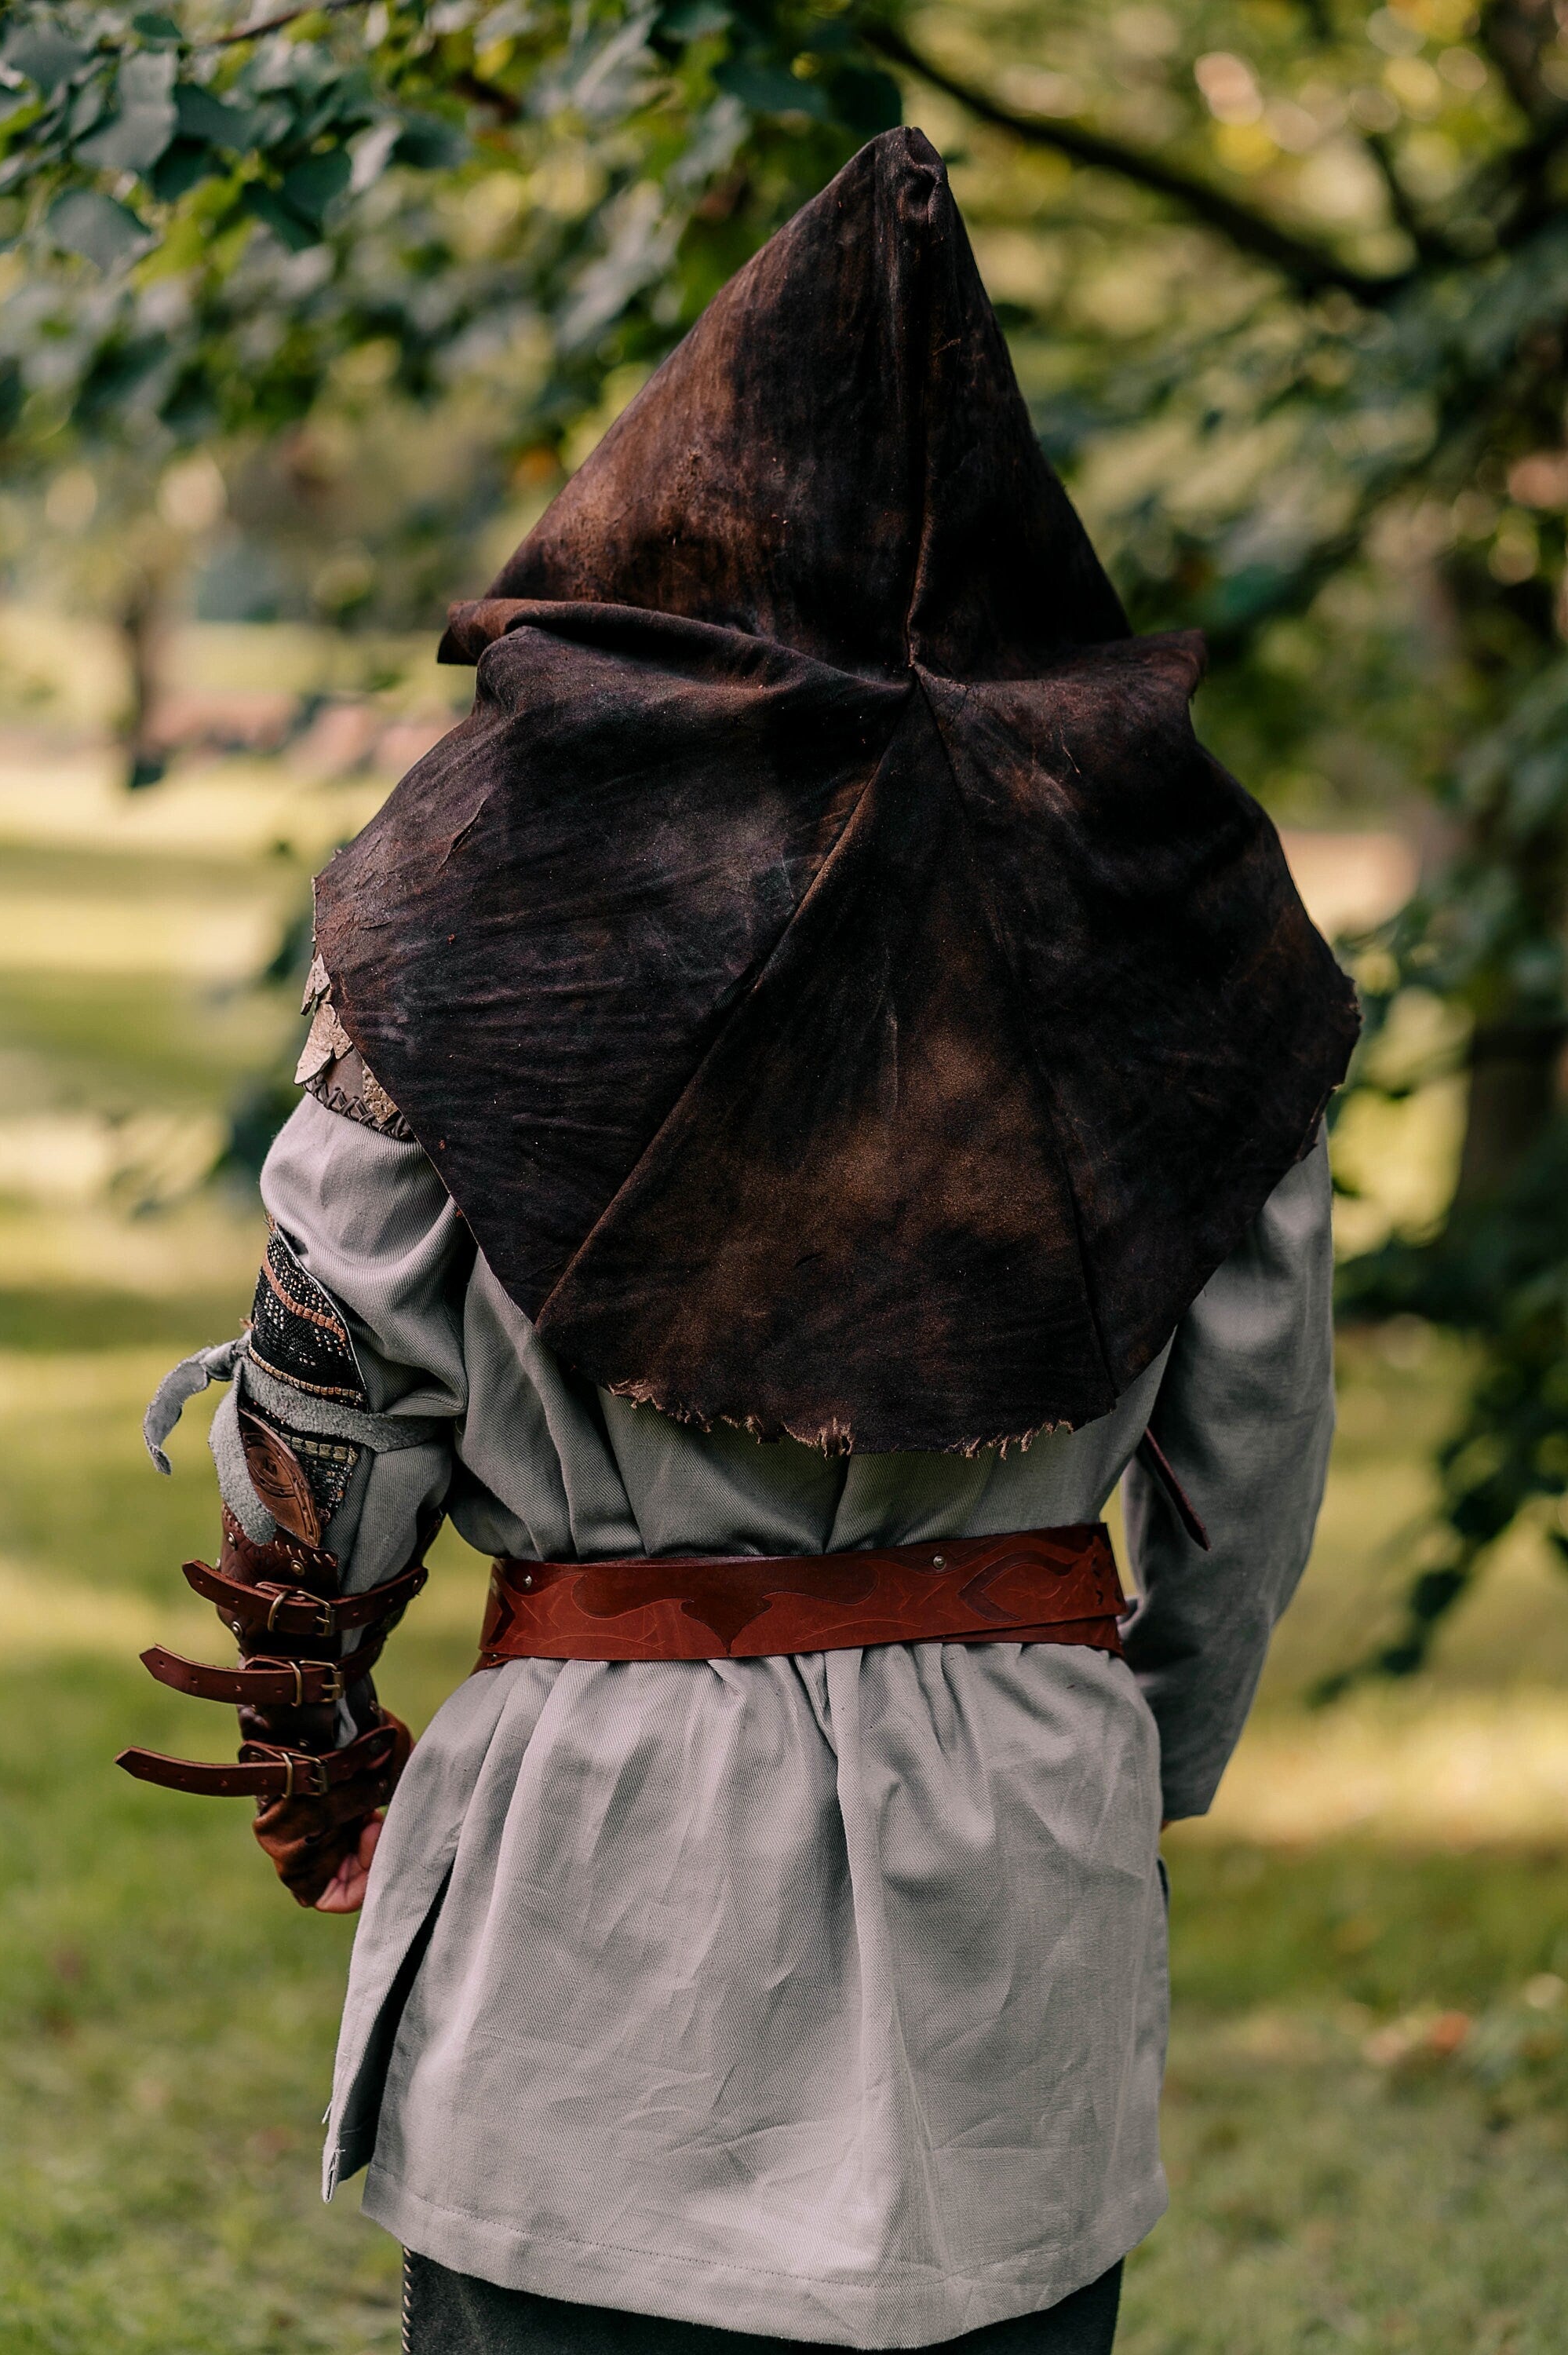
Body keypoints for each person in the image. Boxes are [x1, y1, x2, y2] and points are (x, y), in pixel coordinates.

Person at [121, 126, 1358, 2355]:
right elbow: (1249, 1472)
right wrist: (1107, 1758)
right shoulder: (1184, 912)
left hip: (601, 1861)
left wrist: (327, 1725)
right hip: (1018, 1847)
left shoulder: (480, 878)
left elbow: (323, 1419)